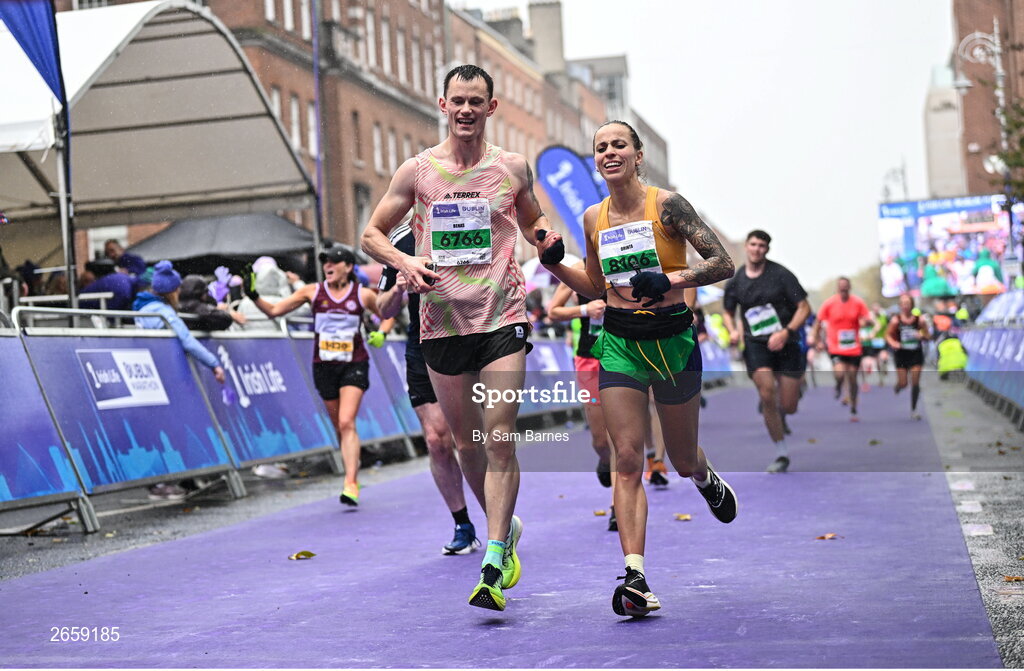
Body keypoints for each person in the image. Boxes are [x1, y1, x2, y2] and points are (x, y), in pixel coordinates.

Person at [360, 64, 548, 612]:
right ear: (442, 104)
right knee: (464, 444)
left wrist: (547, 238)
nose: (466, 110)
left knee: (499, 435)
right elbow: (371, 233)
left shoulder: (512, 168)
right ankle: (504, 526)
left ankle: (493, 556)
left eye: (476, 102)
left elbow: (534, 223)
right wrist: (405, 260)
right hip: (440, 321)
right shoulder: (417, 172)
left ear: (492, 108)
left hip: (501, 316)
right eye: (457, 101)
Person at [538, 120, 738, 617]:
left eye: (618, 145)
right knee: (627, 458)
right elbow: (594, 286)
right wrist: (553, 264)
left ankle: (704, 477)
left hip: (671, 341)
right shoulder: (592, 218)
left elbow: (722, 263)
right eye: (600, 147)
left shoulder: (668, 205)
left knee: (682, 458)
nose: (609, 152)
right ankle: (635, 578)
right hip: (620, 344)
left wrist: (669, 278)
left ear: (638, 154)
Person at [243, 244, 382, 507]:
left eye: (334, 262)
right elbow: (274, 311)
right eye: (325, 262)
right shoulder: (312, 291)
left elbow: (386, 312)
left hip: (354, 363)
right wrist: (252, 295)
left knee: (346, 421)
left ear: (349, 267)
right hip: (324, 366)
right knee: (338, 426)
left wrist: (382, 332)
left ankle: (350, 482)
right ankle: (353, 463)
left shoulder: (362, 294)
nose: (327, 266)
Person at [377, 218, 483, 554]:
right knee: (437, 439)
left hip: (467, 338)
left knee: (470, 439)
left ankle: (499, 514)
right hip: (421, 342)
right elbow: (383, 308)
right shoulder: (398, 240)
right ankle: (463, 524)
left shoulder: (465, 222)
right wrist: (398, 285)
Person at [133, 260, 226, 501]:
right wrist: (214, 363)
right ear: (172, 291)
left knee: (158, 430)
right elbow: (187, 340)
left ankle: (169, 480)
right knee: (170, 428)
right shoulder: (163, 313)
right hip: (163, 378)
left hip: (148, 378)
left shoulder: (141, 309)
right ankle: (163, 482)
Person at [722, 230, 810, 473]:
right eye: (753, 244)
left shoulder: (781, 275)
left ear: (767, 250)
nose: (757, 249)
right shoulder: (737, 280)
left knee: (789, 405)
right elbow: (728, 311)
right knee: (767, 393)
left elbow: (804, 307)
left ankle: (783, 410)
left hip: (786, 342)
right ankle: (781, 452)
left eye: (762, 245)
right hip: (756, 343)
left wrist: (786, 332)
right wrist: (732, 330)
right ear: (746, 246)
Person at [546, 260, 617, 530]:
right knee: (601, 440)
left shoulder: (622, 264)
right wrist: (586, 309)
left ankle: (617, 507)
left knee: (617, 439)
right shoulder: (578, 270)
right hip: (588, 359)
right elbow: (553, 312)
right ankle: (603, 460)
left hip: (620, 355)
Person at [809, 277, 872, 422]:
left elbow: (867, 319)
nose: (843, 290)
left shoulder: (858, 302)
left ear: (849, 287)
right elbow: (818, 323)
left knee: (852, 378)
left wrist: (866, 322)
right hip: (836, 346)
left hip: (854, 347)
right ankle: (838, 386)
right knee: (839, 373)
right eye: (841, 288)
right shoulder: (829, 303)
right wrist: (816, 339)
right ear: (837, 289)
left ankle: (854, 406)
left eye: (846, 287)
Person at [886, 294, 930, 420]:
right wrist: (894, 343)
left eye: (908, 303)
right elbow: (888, 335)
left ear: (912, 305)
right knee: (904, 383)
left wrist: (921, 336)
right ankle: (898, 386)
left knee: (915, 382)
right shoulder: (896, 320)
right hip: (901, 354)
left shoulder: (919, 320)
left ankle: (914, 409)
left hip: (915, 354)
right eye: (903, 303)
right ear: (900, 306)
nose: (905, 305)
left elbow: (928, 336)